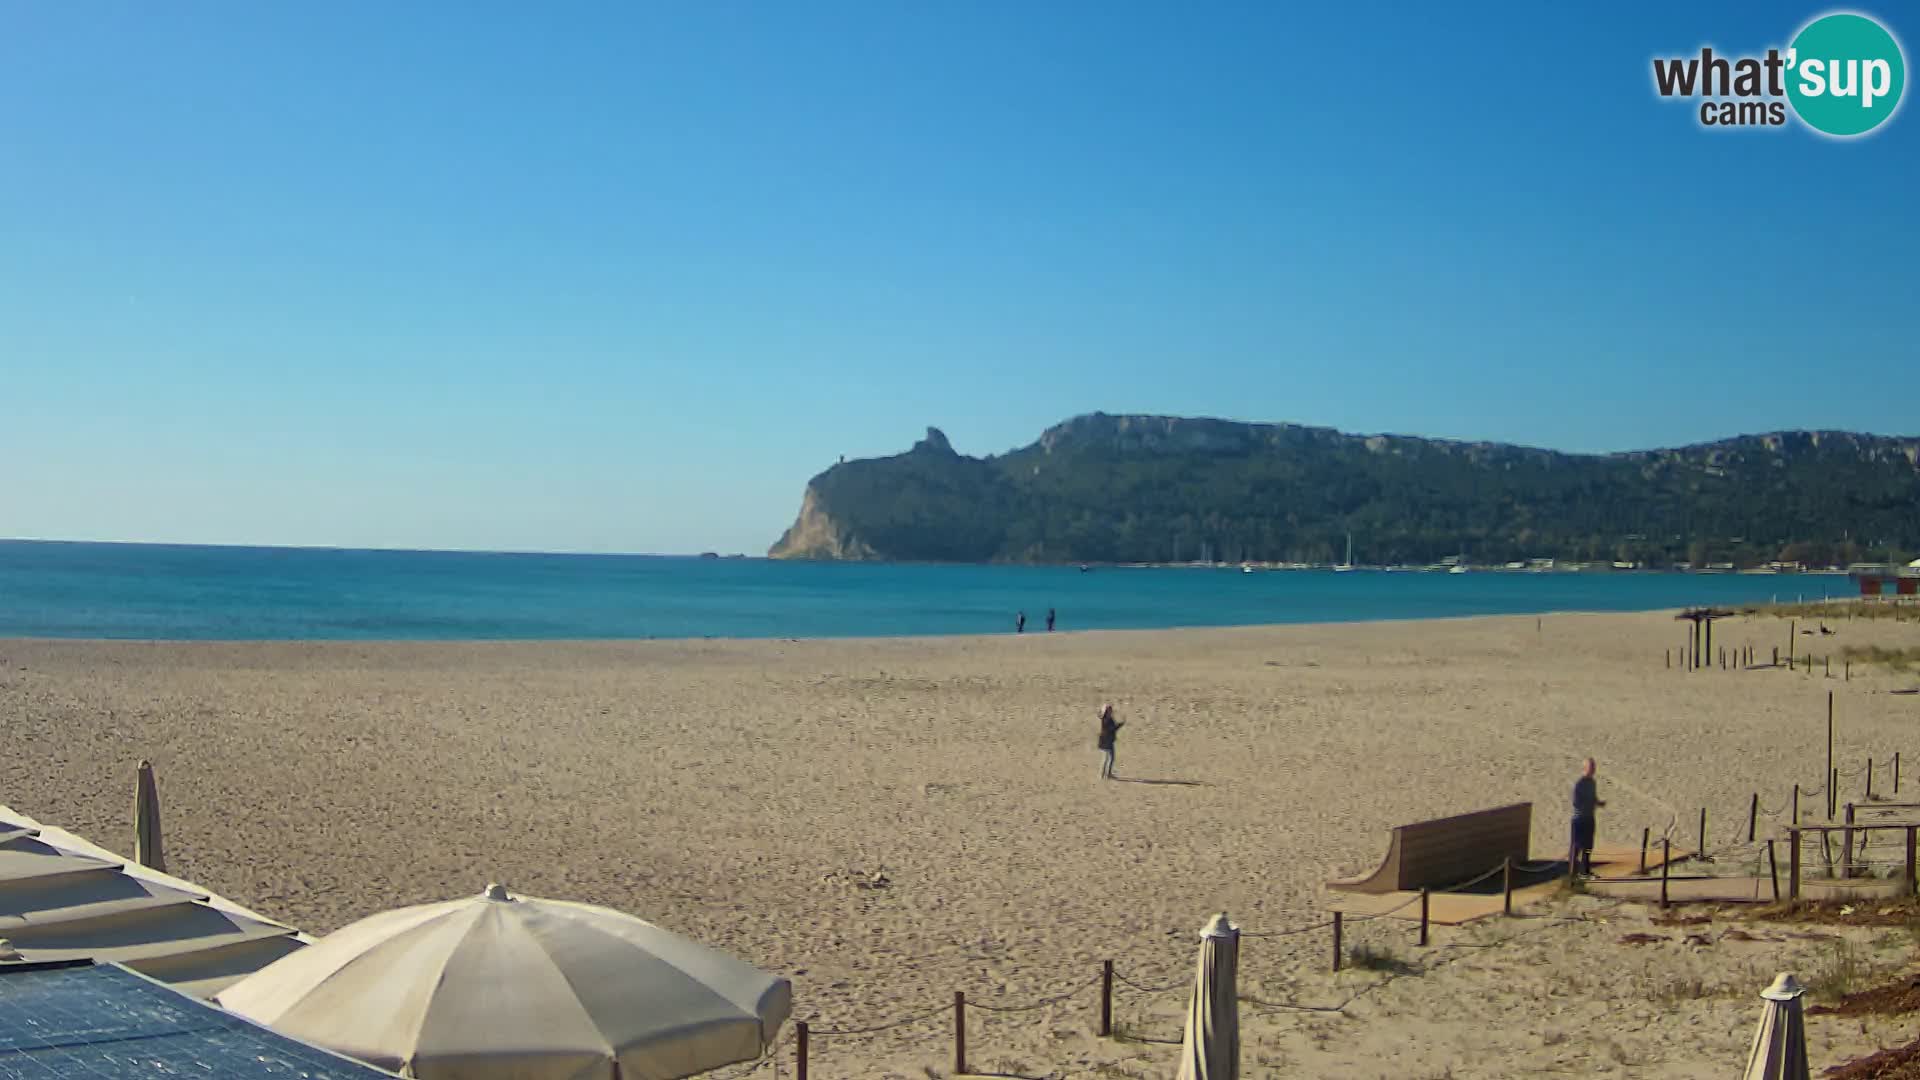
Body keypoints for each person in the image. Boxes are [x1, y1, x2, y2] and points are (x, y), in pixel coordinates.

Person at [1570, 757, 1606, 877]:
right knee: (1577, 847)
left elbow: (1593, 797)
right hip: (1579, 819)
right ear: (1585, 768)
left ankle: (1585, 870)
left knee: (1588, 846)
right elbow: (1576, 802)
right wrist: (1589, 803)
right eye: (1591, 767)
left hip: (1590, 817)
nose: (1593, 770)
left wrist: (1599, 803)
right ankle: (1572, 872)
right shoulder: (1579, 784)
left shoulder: (1592, 782)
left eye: (1594, 767)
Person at [1097, 704, 1124, 780]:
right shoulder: (1105, 720)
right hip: (1105, 741)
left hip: (1109, 741)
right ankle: (1103, 774)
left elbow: (1113, 728)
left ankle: (1107, 774)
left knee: (1111, 758)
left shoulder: (1109, 718)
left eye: (1111, 710)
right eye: (1109, 710)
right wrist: (1119, 725)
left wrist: (1119, 725)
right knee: (1106, 758)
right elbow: (1111, 729)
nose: (1111, 711)